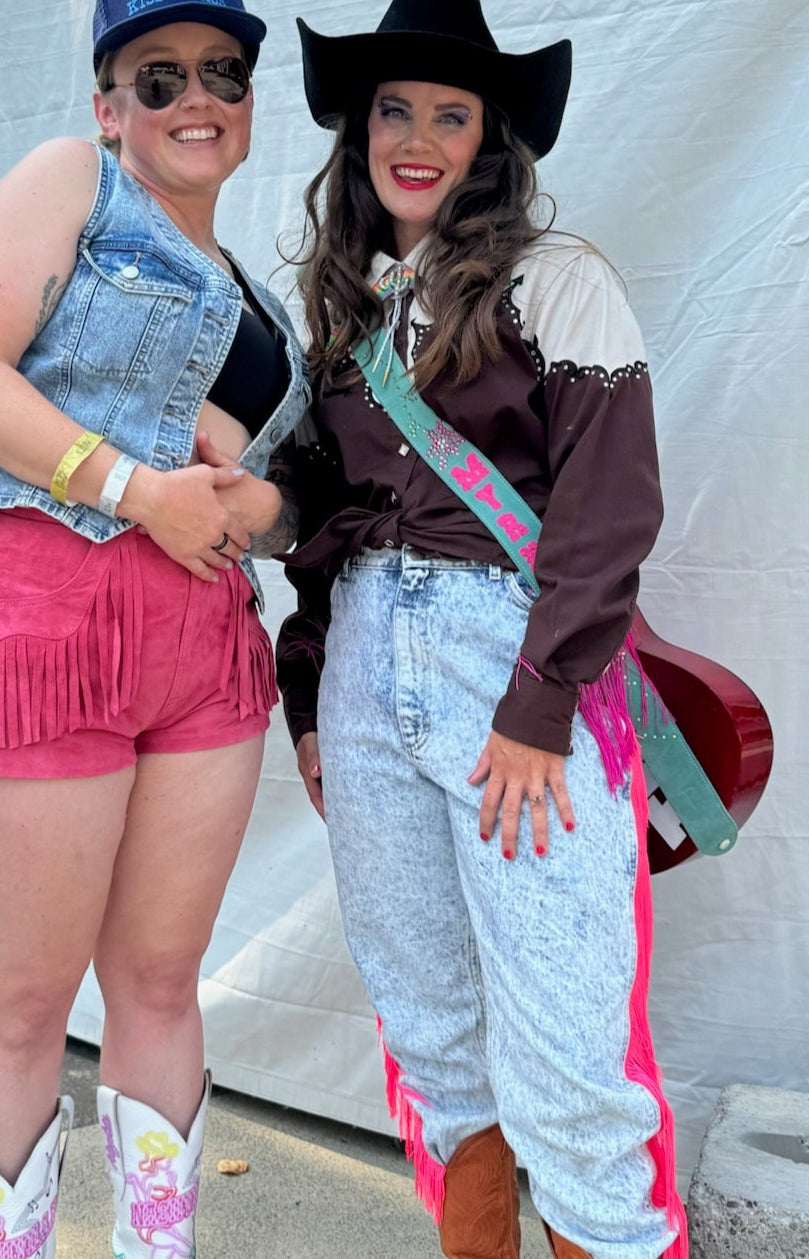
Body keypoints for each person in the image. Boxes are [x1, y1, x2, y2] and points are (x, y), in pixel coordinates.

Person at [277, 1, 687, 1256]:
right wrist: (309, 705)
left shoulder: (557, 283)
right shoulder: (343, 309)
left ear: (488, 140)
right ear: (357, 135)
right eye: (392, 109)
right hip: (361, 673)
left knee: (566, 1055)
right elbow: (325, 531)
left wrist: (535, 703)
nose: (415, 137)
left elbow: (607, 514)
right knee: (437, 1044)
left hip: (505, 670)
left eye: (448, 115)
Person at [0, 1, 308, 1255]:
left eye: (222, 72)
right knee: (24, 1003)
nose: (198, 95)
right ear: (108, 102)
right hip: (56, 621)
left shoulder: (263, 307)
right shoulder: (71, 182)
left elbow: (291, 515)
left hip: (203, 653)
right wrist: (133, 485)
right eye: (160, 73)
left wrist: (258, 493)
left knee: (161, 981)